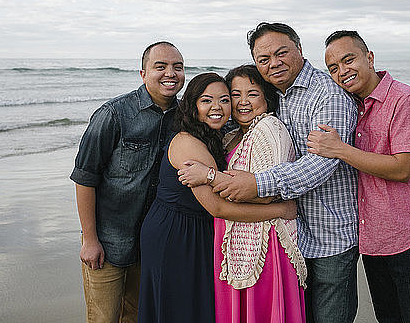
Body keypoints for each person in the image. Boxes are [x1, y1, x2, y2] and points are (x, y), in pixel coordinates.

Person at [211, 23, 360, 322]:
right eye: (263, 59)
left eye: (281, 53)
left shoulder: (327, 95)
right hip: (296, 233)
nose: (273, 63)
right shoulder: (282, 96)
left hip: (330, 234)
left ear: (300, 49)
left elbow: (320, 164)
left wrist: (257, 184)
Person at [137, 73, 297, 323]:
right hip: (175, 234)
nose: (217, 108)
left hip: (194, 230)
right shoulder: (189, 144)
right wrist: (279, 210)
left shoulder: (217, 136)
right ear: (192, 105)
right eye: (206, 101)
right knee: (178, 308)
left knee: (195, 307)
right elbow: (219, 207)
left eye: (224, 100)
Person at [307, 30, 410, 322]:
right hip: (372, 240)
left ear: (369, 58)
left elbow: (402, 168)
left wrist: (339, 149)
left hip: (407, 236)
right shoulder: (353, 106)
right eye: (333, 68)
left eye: (348, 60)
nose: (342, 71)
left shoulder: (405, 100)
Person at [177, 65, 307, 323]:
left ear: (266, 97)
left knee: (263, 312)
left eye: (253, 94)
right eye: (235, 95)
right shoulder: (236, 134)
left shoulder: (269, 129)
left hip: (265, 242)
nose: (243, 102)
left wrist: (209, 176)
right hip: (241, 234)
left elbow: (269, 192)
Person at [70, 42, 185, 322]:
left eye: (178, 67)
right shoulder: (114, 114)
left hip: (152, 244)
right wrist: (90, 239)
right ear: (143, 73)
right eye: (161, 66)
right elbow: (85, 177)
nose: (171, 73)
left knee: (137, 315)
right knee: (104, 317)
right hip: (108, 243)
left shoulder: (184, 118)